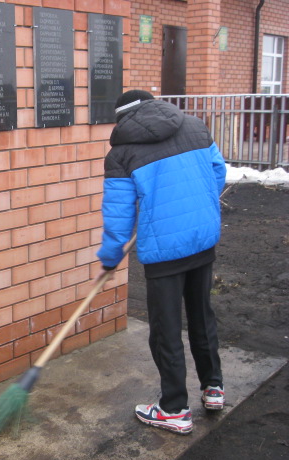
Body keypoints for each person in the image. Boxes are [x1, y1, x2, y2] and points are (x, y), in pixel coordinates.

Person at [95, 90, 227, 435]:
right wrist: (196, 208)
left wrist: (110, 258)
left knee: (166, 330)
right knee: (201, 316)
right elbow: (217, 172)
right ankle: (213, 387)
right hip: (201, 237)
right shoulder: (196, 127)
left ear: (123, 119)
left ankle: (173, 409)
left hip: (164, 251)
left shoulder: (121, 154)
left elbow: (119, 216)